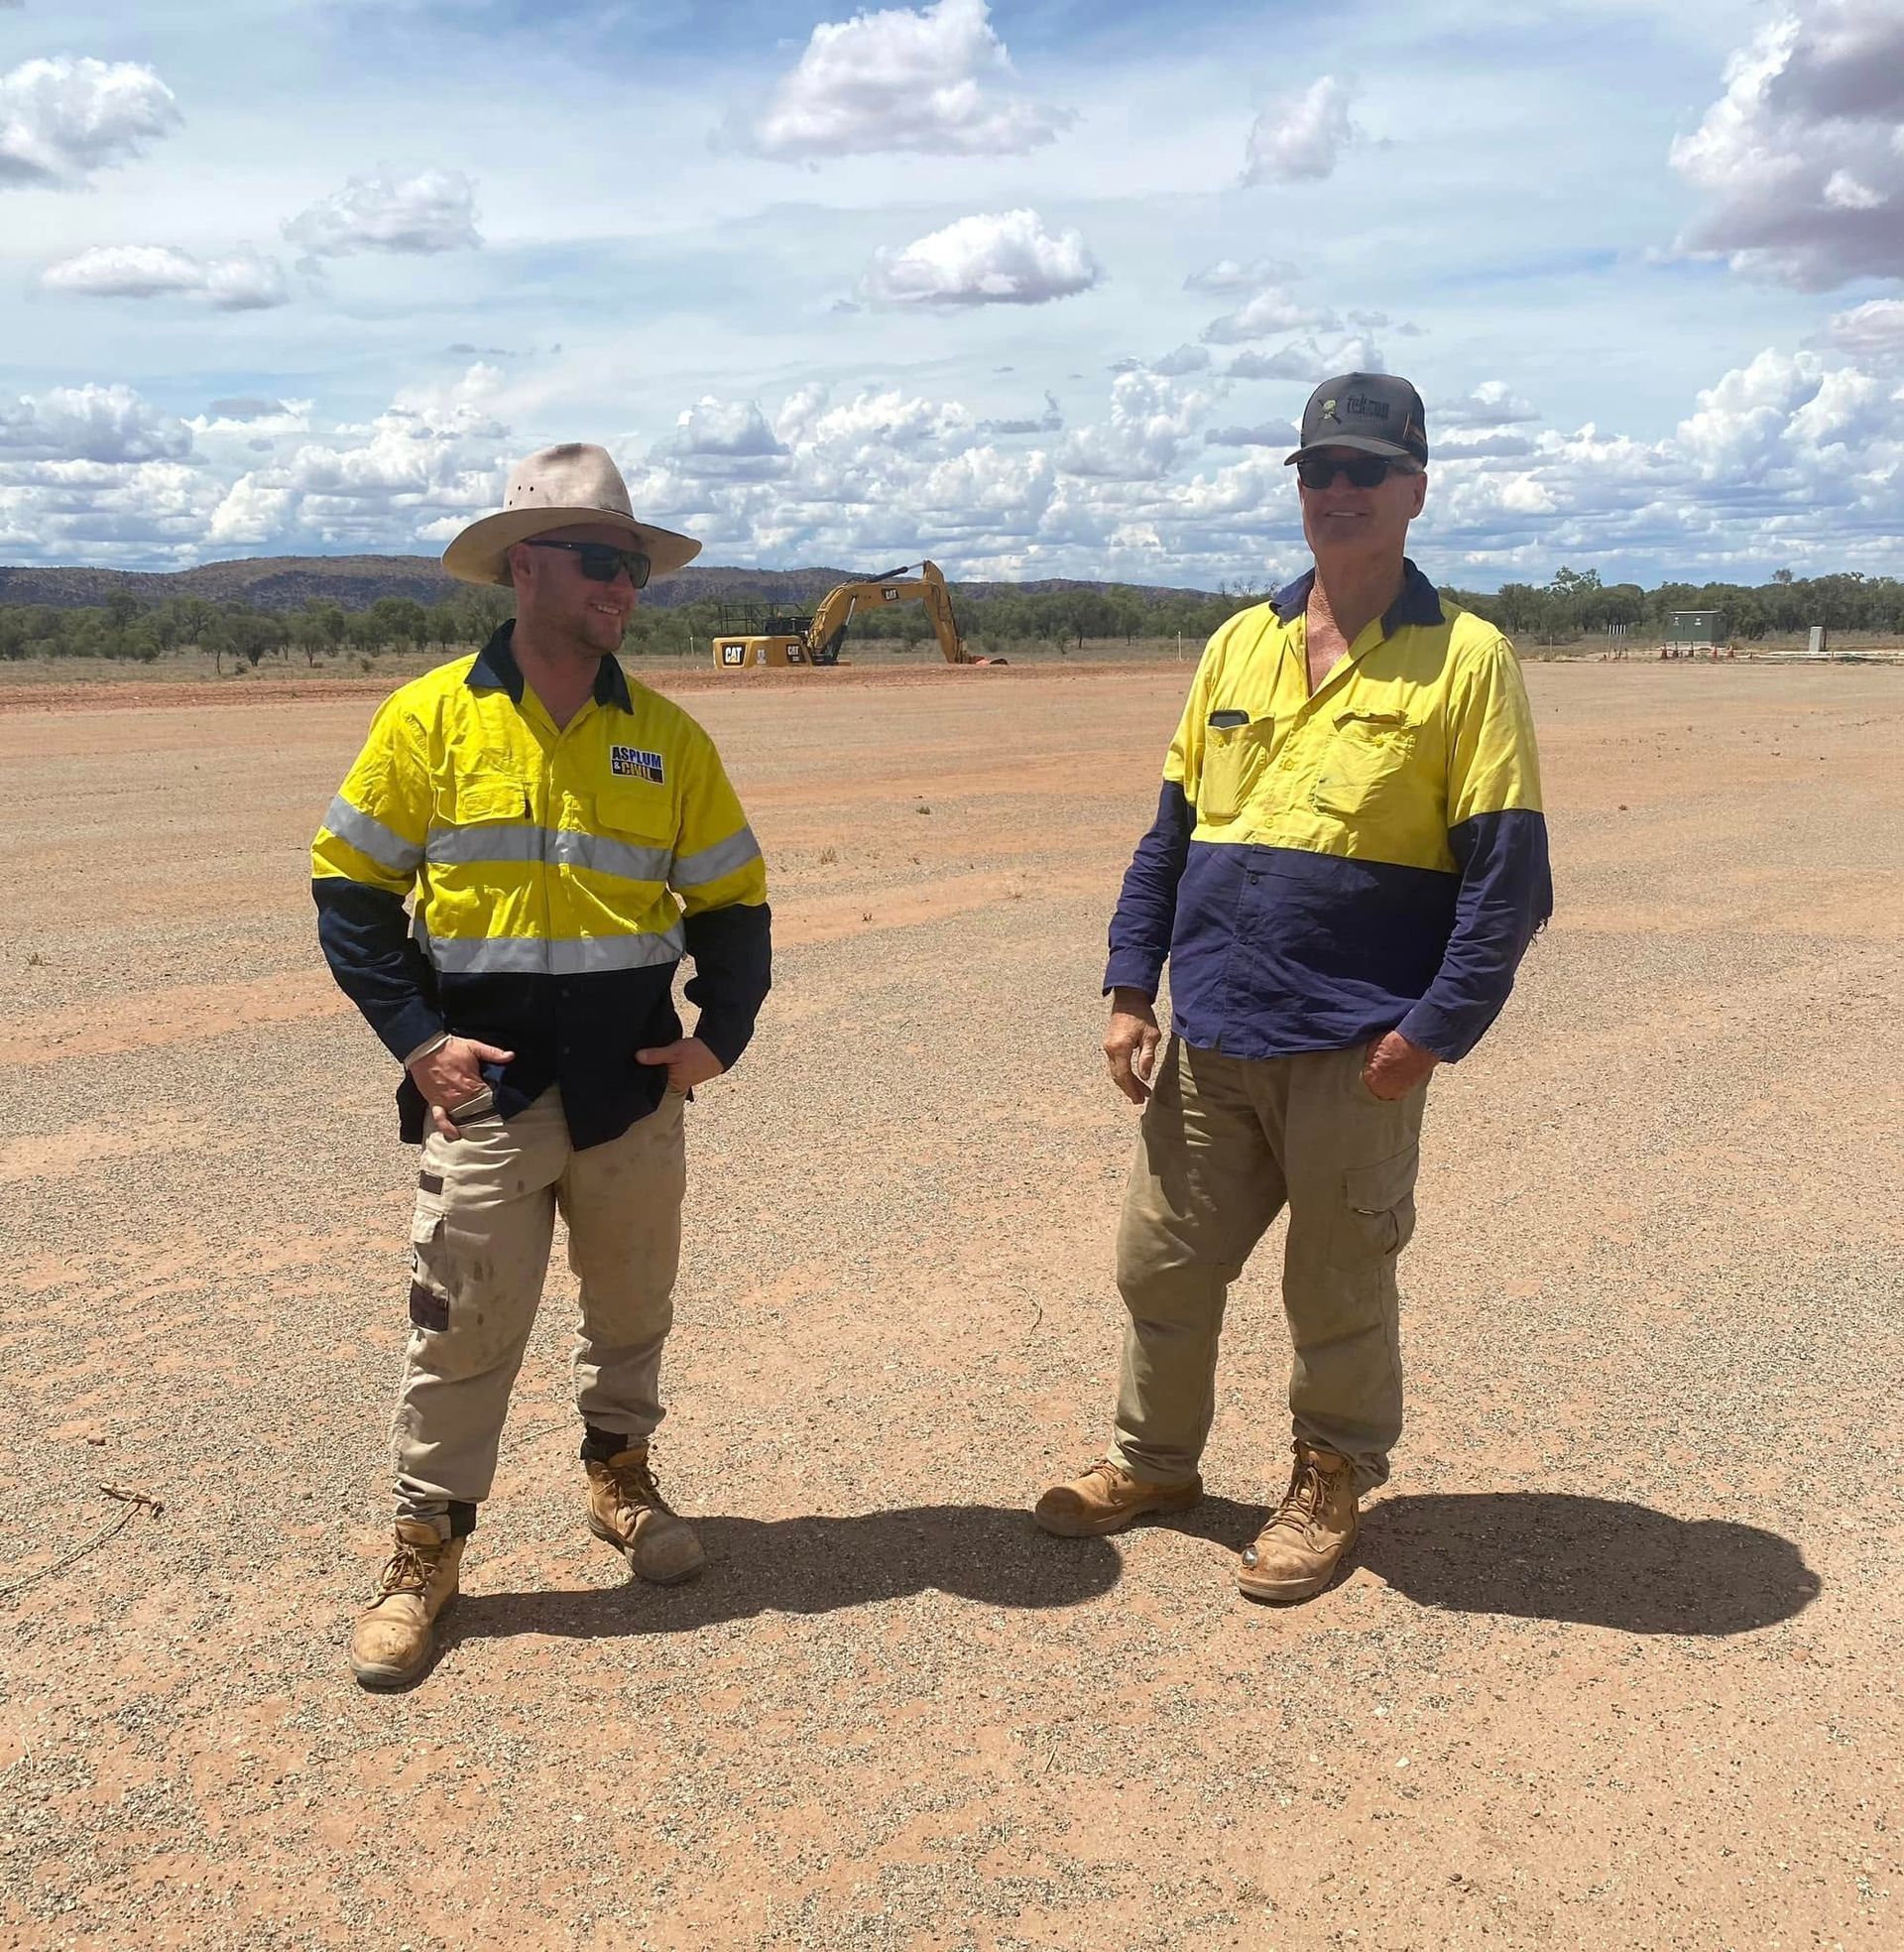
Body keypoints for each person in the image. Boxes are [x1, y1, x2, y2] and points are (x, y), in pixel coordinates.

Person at [1033, 374, 1552, 1603]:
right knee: (1160, 1265)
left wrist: (1431, 1036)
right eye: (1318, 471)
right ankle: (1154, 1464)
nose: (1337, 493)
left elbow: (1508, 879)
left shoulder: (1466, 660)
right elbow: (1170, 832)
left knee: (1337, 1280)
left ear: (1415, 491)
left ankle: (1329, 1478)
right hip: (1215, 1034)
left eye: (1364, 472)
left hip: (1354, 1048)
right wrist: (1128, 987)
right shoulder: (1238, 640)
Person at [311, 443, 772, 1686]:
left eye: (636, 565)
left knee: (631, 1314)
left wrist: (717, 1037)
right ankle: (425, 1552)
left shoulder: (668, 739)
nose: (626, 585)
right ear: (527, 567)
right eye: (602, 561)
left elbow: (733, 901)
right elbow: (349, 893)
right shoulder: (429, 719)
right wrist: (417, 1041)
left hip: (629, 1090)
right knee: (458, 1330)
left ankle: (619, 1481)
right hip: (489, 1094)